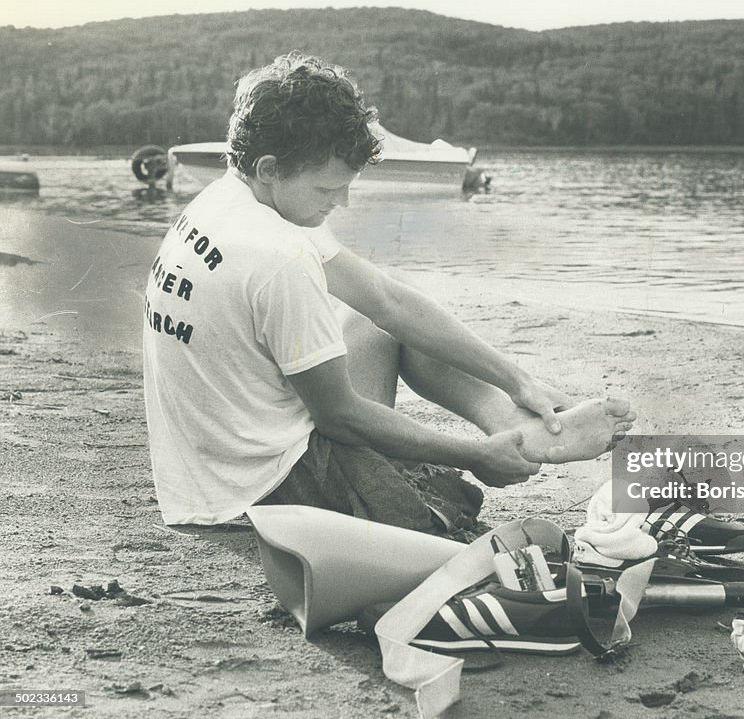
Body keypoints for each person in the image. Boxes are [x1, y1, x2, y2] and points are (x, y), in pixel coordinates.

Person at [142, 51, 636, 534]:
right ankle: (510, 442)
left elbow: (386, 299)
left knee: (378, 322)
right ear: (271, 168)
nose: (342, 202)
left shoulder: (229, 197)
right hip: (257, 486)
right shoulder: (279, 256)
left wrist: (517, 379)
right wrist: (473, 458)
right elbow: (340, 417)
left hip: (210, 465)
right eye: (326, 189)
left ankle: (509, 421)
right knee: (432, 511)